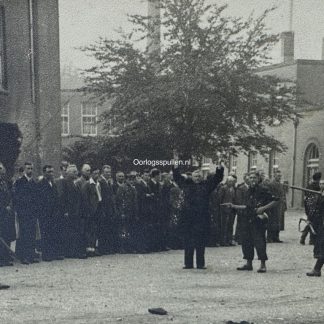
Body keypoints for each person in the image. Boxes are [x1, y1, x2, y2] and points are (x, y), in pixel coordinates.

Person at [173, 156, 224, 270]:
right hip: (188, 218)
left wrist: (219, 167)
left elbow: (217, 178)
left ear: (202, 177)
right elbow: (177, 177)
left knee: (200, 241)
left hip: (202, 218)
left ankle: (200, 264)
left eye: (199, 176)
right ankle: (188, 264)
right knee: (188, 241)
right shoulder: (186, 185)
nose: (197, 178)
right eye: (195, 176)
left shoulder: (206, 186)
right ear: (192, 177)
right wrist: (175, 166)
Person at [223, 172, 278, 273]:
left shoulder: (263, 190)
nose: (252, 180)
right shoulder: (248, 191)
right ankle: (249, 263)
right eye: (250, 178)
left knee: (259, 241)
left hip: (258, 219)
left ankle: (262, 264)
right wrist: (233, 206)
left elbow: (275, 201)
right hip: (247, 218)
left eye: (254, 178)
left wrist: (263, 208)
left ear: (258, 179)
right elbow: (247, 207)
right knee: (246, 241)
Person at [13, 162, 39, 264]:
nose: (30, 171)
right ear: (24, 170)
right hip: (23, 213)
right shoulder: (19, 182)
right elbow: (17, 198)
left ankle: (31, 255)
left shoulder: (33, 182)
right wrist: (21, 211)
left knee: (32, 234)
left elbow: (36, 198)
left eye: (32, 169)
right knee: (24, 234)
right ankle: (23, 256)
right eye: (28, 169)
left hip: (32, 213)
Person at [60, 164, 86, 259]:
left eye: (76, 171)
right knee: (70, 232)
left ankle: (75, 251)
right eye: (74, 172)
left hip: (77, 211)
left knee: (76, 231)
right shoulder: (65, 182)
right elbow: (63, 197)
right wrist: (65, 210)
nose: (76, 173)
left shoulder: (76, 182)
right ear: (68, 173)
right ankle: (70, 252)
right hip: (70, 211)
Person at [38, 165, 62, 261]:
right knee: (46, 233)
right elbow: (40, 200)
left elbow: (56, 197)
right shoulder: (40, 184)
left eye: (52, 171)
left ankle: (53, 253)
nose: (51, 174)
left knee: (53, 233)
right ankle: (46, 254)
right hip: (45, 213)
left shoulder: (53, 183)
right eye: (49, 172)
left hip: (54, 213)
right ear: (44, 173)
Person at [81, 168, 103, 256]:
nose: (96, 175)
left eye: (98, 173)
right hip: (90, 211)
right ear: (91, 174)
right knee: (89, 230)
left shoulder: (98, 184)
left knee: (95, 229)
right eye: (94, 173)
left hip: (98, 209)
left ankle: (94, 248)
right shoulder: (87, 184)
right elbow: (85, 199)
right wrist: (88, 210)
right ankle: (89, 249)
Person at [115, 172, 138, 253]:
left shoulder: (133, 188)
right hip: (124, 211)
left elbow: (134, 202)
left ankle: (129, 247)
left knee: (130, 230)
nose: (131, 181)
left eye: (133, 180)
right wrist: (121, 212)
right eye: (130, 180)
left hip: (131, 212)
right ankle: (122, 247)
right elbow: (119, 201)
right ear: (126, 180)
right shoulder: (122, 188)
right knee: (123, 230)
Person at [98, 165, 117, 254]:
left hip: (109, 208)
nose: (108, 174)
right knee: (103, 229)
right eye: (106, 172)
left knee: (109, 228)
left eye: (109, 172)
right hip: (103, 208)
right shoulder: (100, 181)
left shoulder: (109, 182)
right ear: (102, 172)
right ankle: (103, 248)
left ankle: (108, 248)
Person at [307, 179, 324, 277]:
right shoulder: (320, 195)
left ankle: (317, 269)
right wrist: (310, 219)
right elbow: (316, 209)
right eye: (321, 184)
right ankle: (317, 269)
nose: (322, 185)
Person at [0, 163, 15, 267]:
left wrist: (9, 205)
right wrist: (4, 207)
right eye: (1, 173)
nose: (2, 175)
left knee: (6, 235)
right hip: (1, 211)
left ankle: (6, 258)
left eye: (3, 173)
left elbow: (9, 196)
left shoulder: (4, 183)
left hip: (6, 214)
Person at [301, 172, 321, 245]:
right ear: (318, 179)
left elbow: (306, 198)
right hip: (314, 207)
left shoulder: (308, 186)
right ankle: (311, 240)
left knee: (310, 222)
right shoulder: (317, 186)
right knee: (313, 223)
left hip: (309, 206)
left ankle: (303, 237)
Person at [217, 176, 236, 246]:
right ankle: (223, 241)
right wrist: (222, 206)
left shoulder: (233, 189)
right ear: (227, 181)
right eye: (230, 181)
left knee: (230, 226)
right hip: (224, 209)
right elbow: (219, 198)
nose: (231, 183)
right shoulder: (223, 188)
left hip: (231, 209)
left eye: (232, 181)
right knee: (224, 226)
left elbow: (233, 199)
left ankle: (229, 240)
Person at [267, 170, 285, 243]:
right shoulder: (271, 184)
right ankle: (270, 237)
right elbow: (269, 194)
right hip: (273, 205)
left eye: (280, 176)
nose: (279, 177)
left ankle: (276, 237)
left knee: (278, 221)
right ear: (274, 176)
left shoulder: (281, 184)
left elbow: (283, 195)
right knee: (271, 221)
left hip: (279, 205)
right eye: (278, 176)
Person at [234, 173, 250, 245]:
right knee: (241, 224)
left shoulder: (251, 187)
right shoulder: (241, 188)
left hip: (248, 209)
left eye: (249, 179)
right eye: (247, 179)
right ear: (244, 179)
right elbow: (239, 199)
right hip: (242, 209)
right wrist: (240, 208)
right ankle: (239, 238)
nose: (248, 180)